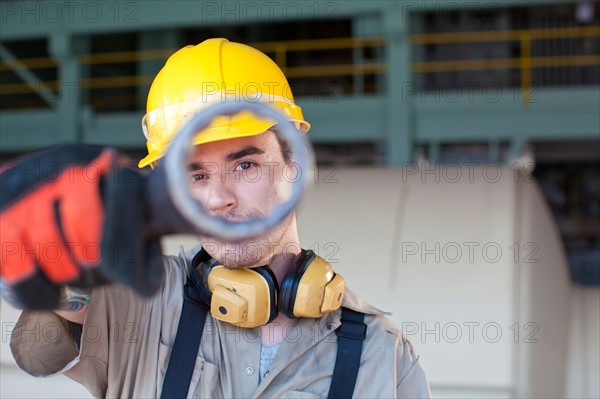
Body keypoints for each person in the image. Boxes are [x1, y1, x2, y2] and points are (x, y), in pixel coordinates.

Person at [3, 38, 431, 398]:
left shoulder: (382, 352)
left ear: (295, 164)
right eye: (196, 174)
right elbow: (38, 355)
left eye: (245, 165)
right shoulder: (138, 297)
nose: (218, 199)